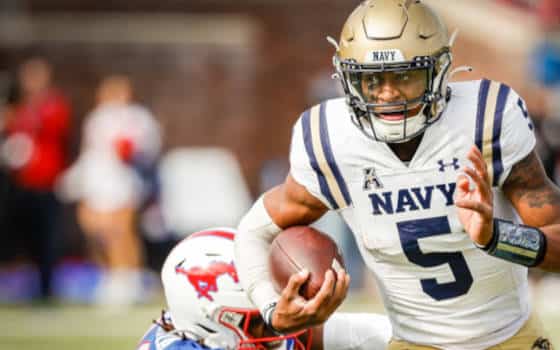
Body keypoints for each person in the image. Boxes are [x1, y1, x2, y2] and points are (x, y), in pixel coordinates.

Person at [235, 1, 560, 349]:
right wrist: (272, 309)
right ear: (347, 79)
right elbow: (253, 232)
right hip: (413, 343)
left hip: (507, 339)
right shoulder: (332, 141)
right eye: (372, 79)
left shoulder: (485, 119)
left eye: (405, 76)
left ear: (439, 72)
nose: (388, 93)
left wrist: (497, 236)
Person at [137, 228, 391, 350]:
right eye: (261, 321)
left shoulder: (204, 330)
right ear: (215, 323)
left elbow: (364, 334)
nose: (278, 324)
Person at [59, 75, 161, 306]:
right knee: (97, 231)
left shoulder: (139, 118)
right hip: (98, 183)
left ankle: (128, 279)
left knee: (122, 231)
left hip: (125, 183)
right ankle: (109, 275)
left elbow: (147, 149)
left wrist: (130, 150)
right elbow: (90, 152)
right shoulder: (96, 119)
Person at [1, 57, 71, 301]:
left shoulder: (52, 104)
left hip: (46, 183)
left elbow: (51, 127)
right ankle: (23, 285)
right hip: (22, 182)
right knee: (22, 235)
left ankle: (46, 289)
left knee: (47, 238)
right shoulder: (21, 107)